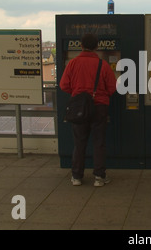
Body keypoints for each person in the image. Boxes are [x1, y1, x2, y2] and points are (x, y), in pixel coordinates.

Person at [59, 33, 117, 187]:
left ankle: (77, 176)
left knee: (79, 143)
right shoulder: (102, 64)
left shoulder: (72, 63)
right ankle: (99, 177)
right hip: (99, 107)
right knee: (99, 143)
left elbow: (63, 85)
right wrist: (100, 95)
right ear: (96, 47)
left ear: (81, 46)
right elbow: (112, 87)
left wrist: (78, 93)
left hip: (79, 108)